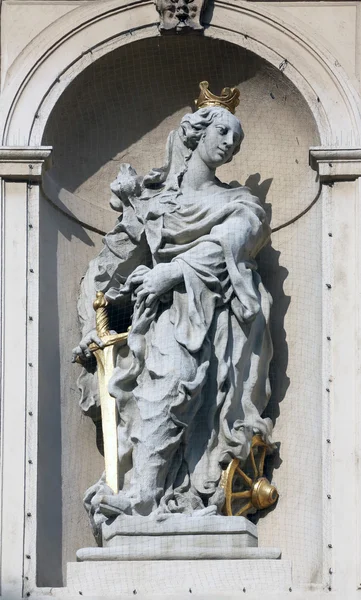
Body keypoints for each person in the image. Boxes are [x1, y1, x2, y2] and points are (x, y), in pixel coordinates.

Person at [72, 92, 274, 541]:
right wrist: (96, 323)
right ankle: (144, 493)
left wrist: (174, 271)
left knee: (195, 396)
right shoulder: (156, 205)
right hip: (160, 322)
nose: (230, 143)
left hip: (216, 322)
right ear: (195, 133)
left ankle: (178, 494)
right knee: (159, 392)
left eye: (237, 139)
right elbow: (112, 267)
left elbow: (236, 241)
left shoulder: (241, 203)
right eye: (222, 131)